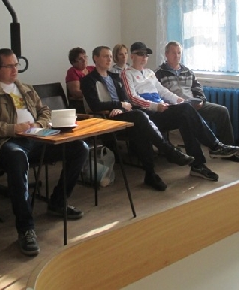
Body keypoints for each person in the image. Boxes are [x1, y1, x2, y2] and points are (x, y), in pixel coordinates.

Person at [0, 48, 89, 257]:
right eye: (9, 66)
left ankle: (58, 202)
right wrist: (14, 129)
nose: (14, 69)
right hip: (7, 142)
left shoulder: (24, 87)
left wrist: (38, 124)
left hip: (37, 137)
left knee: (79, 148)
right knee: (17, 158)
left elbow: (44, 111)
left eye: (16, 65)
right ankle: (25, 228)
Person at [121, 42, 239, 182]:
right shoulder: (127, 73)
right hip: (147, 113)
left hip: (161, 109)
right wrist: (155, 106)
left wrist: (179, 100)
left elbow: (163, 91)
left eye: (146, 55)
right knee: (185, 111)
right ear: (132, 56)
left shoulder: (149, 73)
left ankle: (198, 165)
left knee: (186, 116)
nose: (144, 57)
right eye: (140, 54)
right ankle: (214, 146)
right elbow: (132, 97)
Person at [81, 46, 195, 191]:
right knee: (140, 116)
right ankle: (168, 151)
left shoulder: (115, 77)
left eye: (110, 56)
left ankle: (151, 174)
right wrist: (118, 105)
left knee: (141, 127)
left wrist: (121, 107)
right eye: (105, 56)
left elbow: (126, 101)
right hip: (106, 119)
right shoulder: (88, 80)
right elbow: (95, 105)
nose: (109, 59)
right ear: (95, 58)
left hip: (122, 114)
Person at [155, 41, 239, 163]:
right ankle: (202, 156)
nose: (177, 56)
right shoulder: (159, 73)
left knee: (222, 111)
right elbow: (157, 95)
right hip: (176, 108)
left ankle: (227, 151)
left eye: (179, 53)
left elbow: (197, 88)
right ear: (166, 54)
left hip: (194, 104)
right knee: (186, 116)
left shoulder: (187, 71)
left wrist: (200, 100)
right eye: (173, 53)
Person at [65, 47, 95, 113]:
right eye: (80, 59)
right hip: (81, 104)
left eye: (85, 57)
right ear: (73, 62)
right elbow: (75, 92)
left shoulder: (92, 69)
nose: (84, 60)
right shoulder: (72, 72)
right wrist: (94, 94)